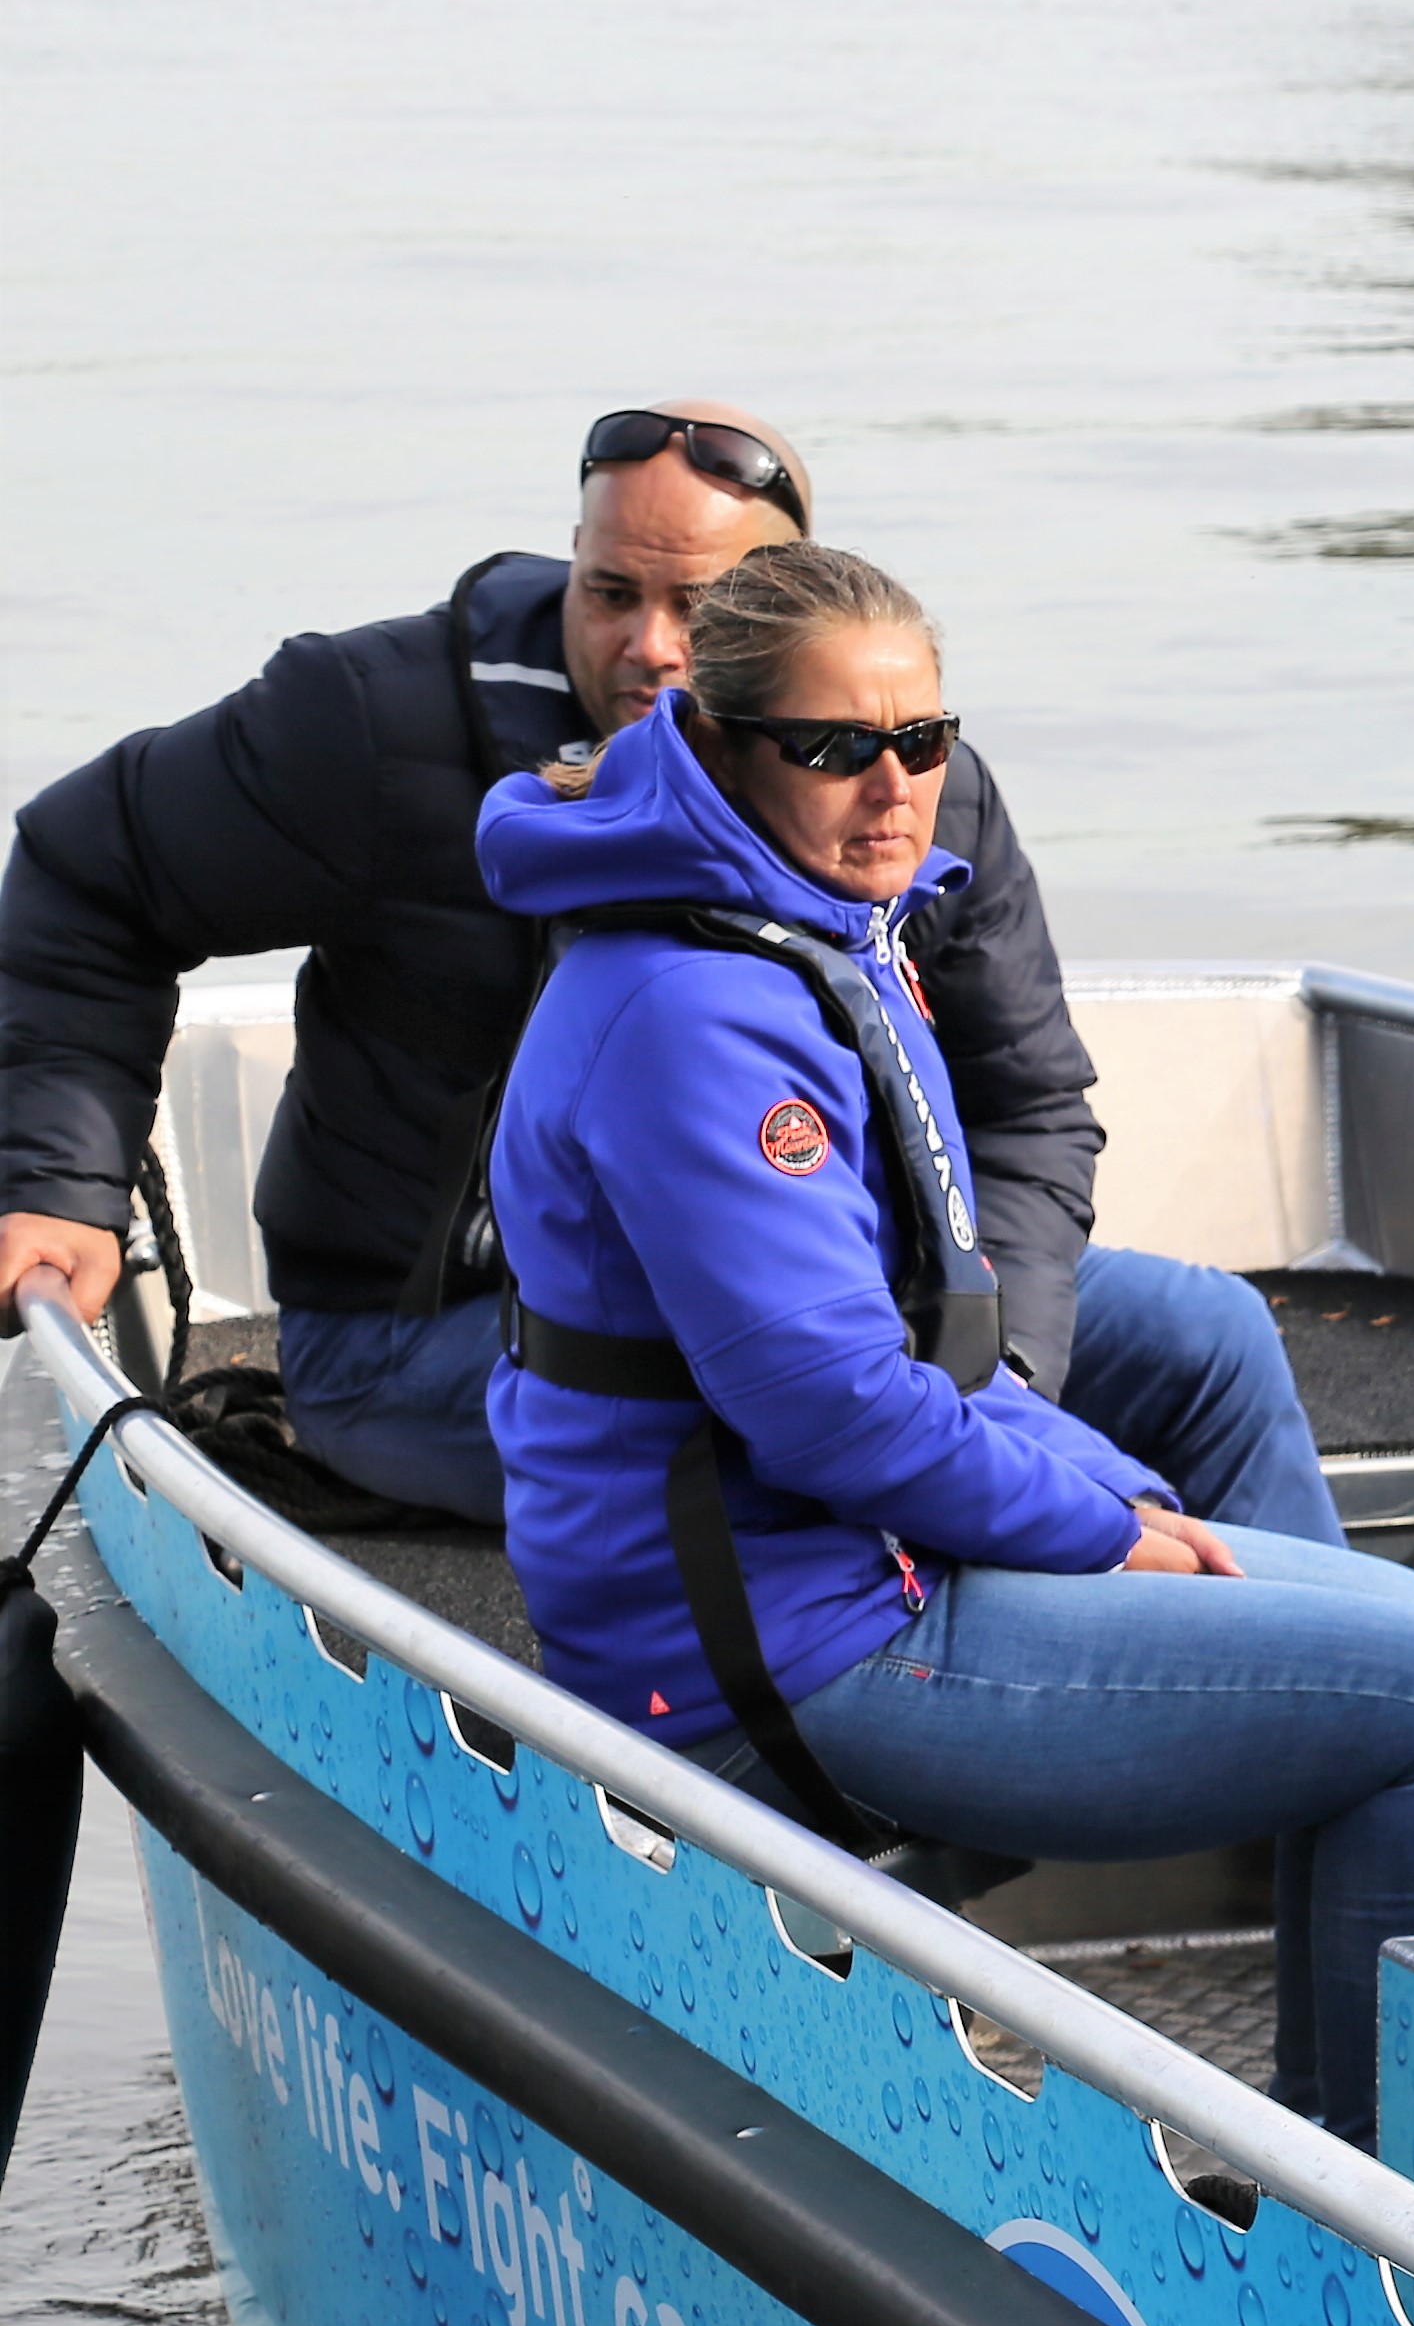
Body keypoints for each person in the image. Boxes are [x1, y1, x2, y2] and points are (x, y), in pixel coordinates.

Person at [473, 546, 1414, 2142]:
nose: (894, 789)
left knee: (1404, 1640)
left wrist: (1116, 1492)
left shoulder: (805, 926)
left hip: (841, 1559)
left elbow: (935, 1349)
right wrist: (1100, 1529)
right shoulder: (693, 1010)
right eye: (834, 749)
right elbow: (832, 1411)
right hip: (776, 1647)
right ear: (724, 749)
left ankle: (1332, 2086)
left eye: (921, 741)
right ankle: (1381, 2239)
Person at [0, 401, 1335, 1545]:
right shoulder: (371, 726)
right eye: (611, 591)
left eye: (699, 608)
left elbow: (1026, 1105)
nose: (647, 646)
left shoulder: (903, 777)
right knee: (812, 1419)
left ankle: (1349, 1743)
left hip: (830, 1289)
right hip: (430, 1345)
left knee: (1208, 1338)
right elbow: (86, 874)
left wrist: (1008, 1373)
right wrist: (59, 1178)